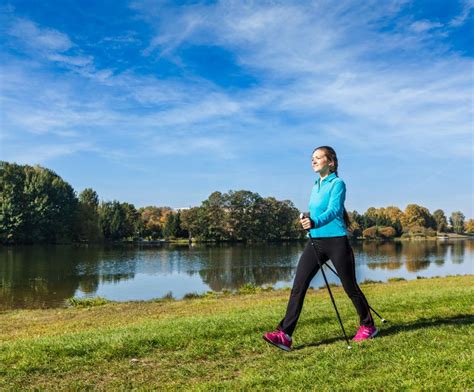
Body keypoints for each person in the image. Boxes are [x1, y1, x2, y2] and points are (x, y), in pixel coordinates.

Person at [263, 146, 378, 351]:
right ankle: (285, 335)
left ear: (330, 162)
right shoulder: (316, 185)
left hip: (336, 242)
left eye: (318, 158)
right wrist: (307, 219)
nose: (313, 161)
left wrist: (314, 221)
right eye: (312, 158)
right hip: (315, 242)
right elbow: (316, 213)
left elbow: (334, 211)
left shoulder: (338, 183)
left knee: (350, 287)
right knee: (299, 286)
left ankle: (368, 325)